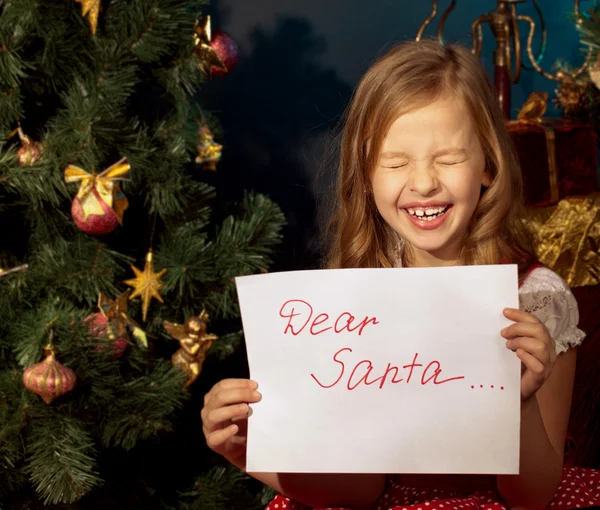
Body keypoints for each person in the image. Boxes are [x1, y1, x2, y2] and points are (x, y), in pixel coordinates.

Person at [201, 41, 600, 510]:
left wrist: (521, 403)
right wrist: (246, 450)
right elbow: (361, 490)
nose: (424, 182)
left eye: (448, 158)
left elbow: (532, 498)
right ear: (367, 174)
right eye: (395, 162)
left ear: (488, 165)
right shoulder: (349, 301)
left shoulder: (535, 299)